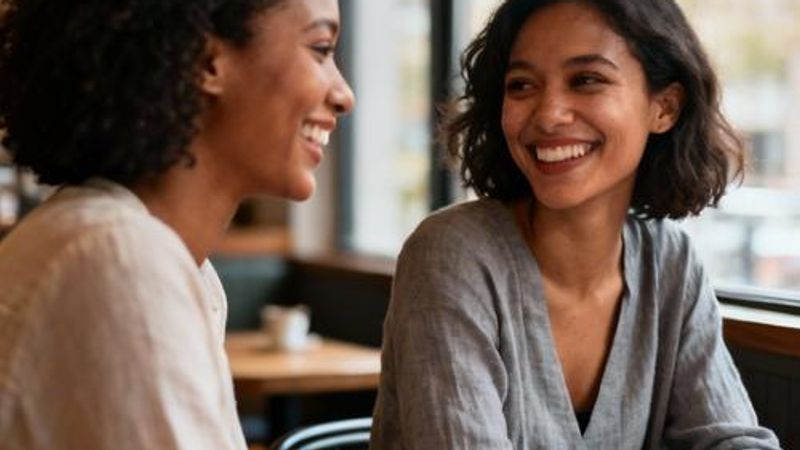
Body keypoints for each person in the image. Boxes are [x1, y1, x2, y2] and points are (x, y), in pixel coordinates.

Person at [371, 0, 782, 449]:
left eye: (586, 80)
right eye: (522, 85)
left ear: (664, 106)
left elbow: (730, 438)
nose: (548, 115)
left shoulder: (671, 264)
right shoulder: (452, 254)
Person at [0, 0, 353, 449]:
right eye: (320, 49)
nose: (344, 94)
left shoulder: (173, 266)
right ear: (207, 61)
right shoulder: (119, 259)